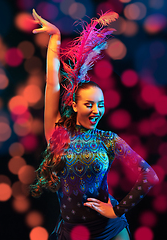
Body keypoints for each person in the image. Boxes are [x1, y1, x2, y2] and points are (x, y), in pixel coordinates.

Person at [29, 9, 159, 240]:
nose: (96, 111)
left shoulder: (108, 139)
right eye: (90, 104)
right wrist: (55, 37)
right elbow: (52, 83)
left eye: (100, 105)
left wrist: (117, 210)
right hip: (74, 233)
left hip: (111, 230)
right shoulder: (57, 132)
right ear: (76, 106)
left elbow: (149, 176)